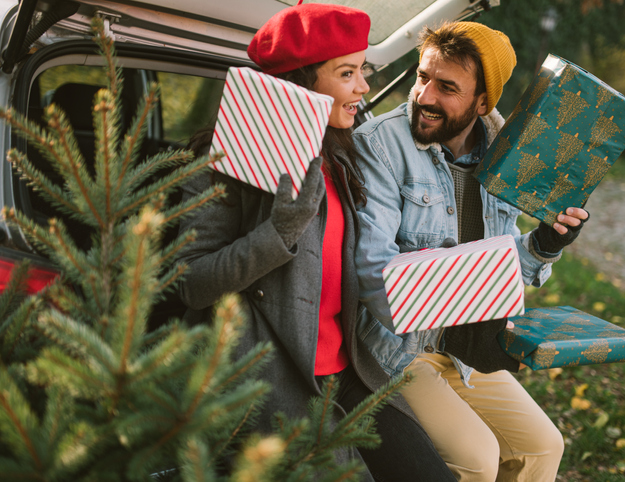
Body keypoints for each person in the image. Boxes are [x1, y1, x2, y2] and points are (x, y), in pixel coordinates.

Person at [175, 3, 457, 481]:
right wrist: (278, 231)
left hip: (350, 372)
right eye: (347, 73)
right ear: (301, 87)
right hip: (276, 382)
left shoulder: (339, 158)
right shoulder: (223, 164)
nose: (364, 87)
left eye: (362, 70)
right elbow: (191, 283)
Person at [353, 22, 589, 481]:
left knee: (543, 447)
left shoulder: (506, 160)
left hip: (463, 350)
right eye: (422, 77)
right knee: (477, 457)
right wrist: (474, 301)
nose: (424, 96)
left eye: (447, 88)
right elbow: (372, 276)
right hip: (397, 351)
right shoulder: (380, 145)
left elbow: (503, 267)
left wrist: (543, 245)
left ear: (483, 103)